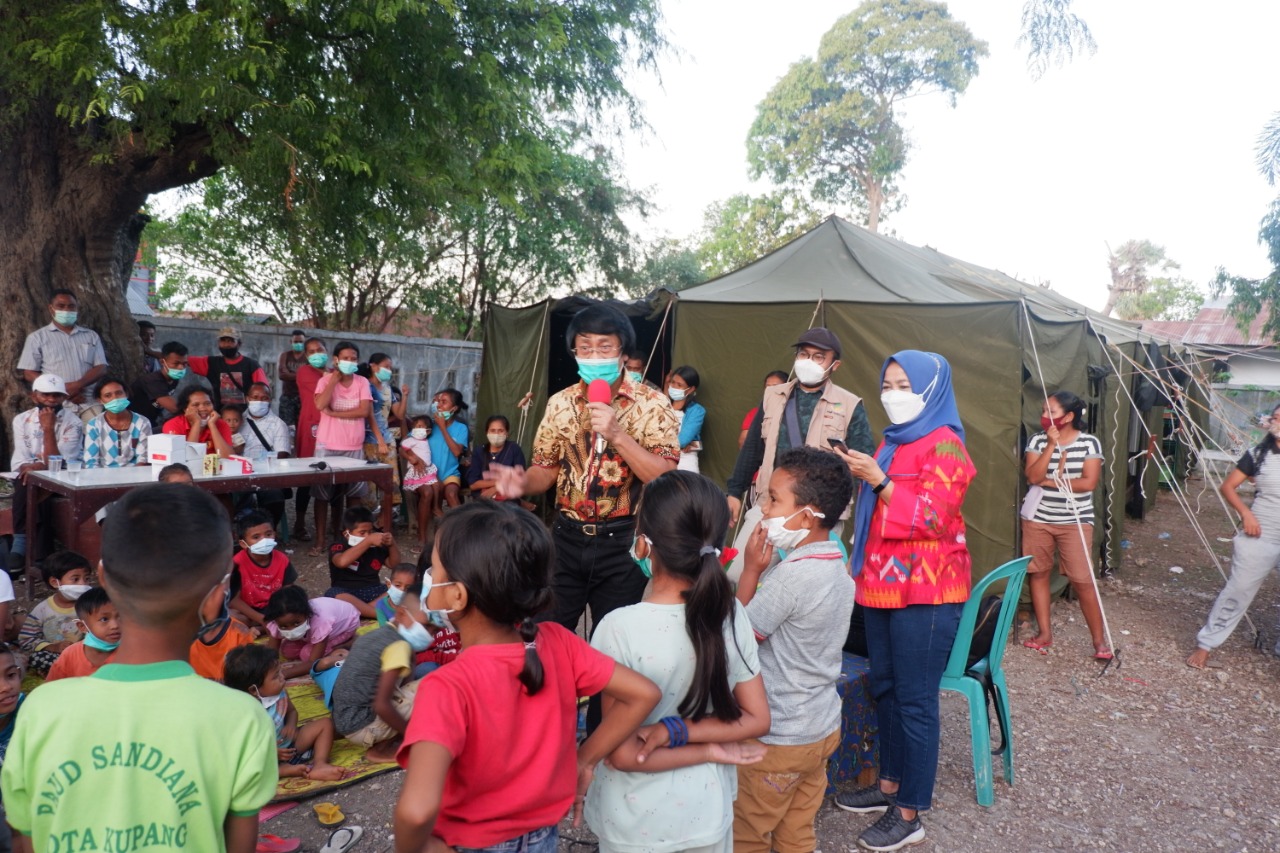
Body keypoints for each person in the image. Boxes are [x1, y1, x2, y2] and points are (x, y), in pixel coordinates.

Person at [0, 484, 278, 850]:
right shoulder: (243, 717)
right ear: (218, 590)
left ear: (103, 576)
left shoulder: (40, 709)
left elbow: (24, 838)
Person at [392, 501, 663, 853]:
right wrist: (585, 759)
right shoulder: (559, 642)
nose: (428, 578)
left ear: (458, 596)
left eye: (435, 569)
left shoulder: (445, 687)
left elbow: (416, 812)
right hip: (542, 838)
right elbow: (644, 693)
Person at [487, 303, 679, 698]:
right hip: (566, 539)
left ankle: (600, 742)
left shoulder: (652, 404)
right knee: (544, 638)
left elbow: (665, 477)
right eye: (585, 348)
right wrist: (522, 483)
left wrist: (618, 434)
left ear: (623, 352)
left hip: (623, 543)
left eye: (604, 347)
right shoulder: (559, 403)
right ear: (574, 353)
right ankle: (547, 724)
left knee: (614, 650)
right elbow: (547, 470)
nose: (594, 356)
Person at [585, 471, 770, 853]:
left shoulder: (619, 628)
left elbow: (622, 755)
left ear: (644, 543)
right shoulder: (732, 613)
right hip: (707, 815)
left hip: (634, 826)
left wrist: (691, 743)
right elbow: (758, 718)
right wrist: (686, 735)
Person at [834, 351, 974, 852]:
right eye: (887, 383)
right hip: (882, 585)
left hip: (929, 592)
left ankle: (911, 810)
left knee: (916, 701)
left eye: (903, 384)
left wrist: (880, 480)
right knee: (886, 686)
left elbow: (933, 517)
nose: (893, 393)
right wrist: (867, 472)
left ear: (931, 390)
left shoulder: (947, 446)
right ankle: (889, 783)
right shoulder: (893, 442)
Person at [733, 447, 856, 853]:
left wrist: (751, 570)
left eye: (772, 498)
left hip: (778, 738)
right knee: (797, 832)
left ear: (806, 516)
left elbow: (740, 639)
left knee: (748, 832)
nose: (764, 508)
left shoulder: (791, 578)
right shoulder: (837, 563)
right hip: (820, 727)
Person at [724, 328, 874, 580]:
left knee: (804, 587)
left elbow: (863, 469)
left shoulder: (850, 405)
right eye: (804, 354)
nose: (809, 362)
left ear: (834, 365)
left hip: (818, 517)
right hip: (769, 506)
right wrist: (734, 492)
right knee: (738, 575)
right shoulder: (773, 396)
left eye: (818, 357)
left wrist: (862, 524)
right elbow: (753, 448)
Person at [1187, 401, 1280, 669]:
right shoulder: (1258, 454)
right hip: (1262, 530)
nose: (1276, 422)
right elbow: (1227, 486)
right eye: (1274, 417)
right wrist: (1245, 514)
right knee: (1238, 589)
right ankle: (1206, 644)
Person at [1021, 390, 1111, 659]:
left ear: (1069, 416)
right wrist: (1050, 446)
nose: (1045, 416)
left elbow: (1088, 483)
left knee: (1082, 579)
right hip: (1038, 519)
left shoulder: (1089, 443)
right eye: (1044, 411)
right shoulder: (1037, 440)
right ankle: (1044, 635)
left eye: (1052, 411)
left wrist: (1050, 482)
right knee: (1039, 573)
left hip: (1075, 521)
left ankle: (1099, 642)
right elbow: (1032, 475)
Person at [331, 579, 435, 763]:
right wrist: (411, 736)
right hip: (365, 726)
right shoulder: (398, 646)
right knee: (438, 688)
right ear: (402, 613)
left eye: (433, 627)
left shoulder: (377, 635)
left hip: (348, 720)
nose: (430, 633)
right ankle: (385, 748)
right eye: (425, 626)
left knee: (423, 685)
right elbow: (382, 705)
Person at [223, 644, 345, 781]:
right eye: (276, 676)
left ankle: (320, 764)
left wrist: (291, 726)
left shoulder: (279, 692)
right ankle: (282, 771)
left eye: (280, 672)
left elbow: (292, 711)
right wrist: (271, 753)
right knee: (242, 769)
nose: (282, 677)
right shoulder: (244, 714)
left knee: (325, 724)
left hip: (291, 747)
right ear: (253, 690)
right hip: (266, 758)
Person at [7, 374, 84, 571]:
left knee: (38, 481)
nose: (51, 400)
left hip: (65, 477)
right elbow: (22, 460)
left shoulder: (73, 422)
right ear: (34, 396)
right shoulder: (21, 420)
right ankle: (40, 555)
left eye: (56, 395)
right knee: (33, 482)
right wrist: (36, 469)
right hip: (30, 478)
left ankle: (21, 545)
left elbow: (55, 464)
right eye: (46, 395)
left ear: (63, 398)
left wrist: (49, 429)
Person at [310, 340, 373, 553]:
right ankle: (320, 541)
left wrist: (335, 413)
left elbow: (364, 411)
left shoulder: (362, 382)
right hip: (327, 444)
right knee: (322, 494)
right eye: (345, 358)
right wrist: (333, 380)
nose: (350, 361)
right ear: (335, 360)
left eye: (353, 358)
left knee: (354, 494)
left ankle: (352, 540)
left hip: (353, 444)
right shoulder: (325, 380)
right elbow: (319, 405)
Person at [17, 289, 107, 414]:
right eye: (61, 306)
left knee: (94, 432)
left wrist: (78, 385)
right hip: (55, 403)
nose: (66, 310)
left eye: (71, 306)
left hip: (88, 401)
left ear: (77, 308)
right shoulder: (37, 338)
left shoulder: (91, 336)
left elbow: (101, 367)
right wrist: (62, 389)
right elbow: (29, 372)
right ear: (51, 308)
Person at [18, 551, 91, 676]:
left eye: (87, 578)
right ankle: (65, 670)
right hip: (55, 655)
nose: (83, 584)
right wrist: (52, 647)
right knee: (36, 657)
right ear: (54, 582)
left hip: (85, 653)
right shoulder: (42, 610)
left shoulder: (91, 605)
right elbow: (26, 640)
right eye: (75, 579)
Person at [263, 586, 359, 679]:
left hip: (347, 625)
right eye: (284, 626)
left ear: (306, 614)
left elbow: (313, 662)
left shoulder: (321, 620)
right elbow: (272, 653)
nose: (290, 630)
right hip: (315, 628)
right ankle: (315, 640)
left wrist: (283, 674)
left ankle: (349, 642)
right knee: (287, 651)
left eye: (296, 624)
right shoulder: (277, 620)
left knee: (306, 654)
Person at [229, 510, 299, 629]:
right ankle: (268, 627)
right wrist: (261, 619)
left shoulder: (282, 560)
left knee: (297, 609)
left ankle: (264, 628)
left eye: (268, 534)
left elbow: (287, 592)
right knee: (231, 617)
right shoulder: (236, 563)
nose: (264, 540)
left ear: (274, 534)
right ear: (243, 544)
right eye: (256, 537)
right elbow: (233, 600)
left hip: (274, 608)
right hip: (246, 610)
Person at [327, 506, 401, 618]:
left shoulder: (376, 547)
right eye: (362, 533)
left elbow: (394, 564)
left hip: (374, 591)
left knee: (399, 589)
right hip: (347, 592)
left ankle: (364, 611)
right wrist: (368, 541)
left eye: (370, 531)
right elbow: (341, 562)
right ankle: (377, 613)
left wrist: (392, 544)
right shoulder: (339, 545)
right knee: (333, 595)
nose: (367, 535)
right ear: (347, 533)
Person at [239, 382, 294, 529]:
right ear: (247, 399)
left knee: (274, 496)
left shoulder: (278, 424)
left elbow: (282, 456)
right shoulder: (237, 421)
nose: (259, 401)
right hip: (238, 473)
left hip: (267, 475)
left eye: (264, 398)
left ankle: (268, 531)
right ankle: (240, 533)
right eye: (255, 397)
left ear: (270, 400)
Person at [292, 336, 329, 543]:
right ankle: (299, 522)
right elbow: (326, 385)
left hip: (332, 427)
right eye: (312, 351)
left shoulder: (334, 373)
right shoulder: (305, 372)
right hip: (310, 428)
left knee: (333, 473)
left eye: (320, 350)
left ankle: (333, 523)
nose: (316, 354)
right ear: (306, 355)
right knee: (307, 477)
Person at [44, 587, 119, 681]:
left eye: (121, 617)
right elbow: (52, 688)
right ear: (82, 626)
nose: (115, 625)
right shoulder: (70, 655)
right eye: (104, 619)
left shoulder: (133, 653)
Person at [186, 326, 269, 411]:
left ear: (239, 344)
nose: (226, 345)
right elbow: (183, 359)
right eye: (223, 341)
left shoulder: (251, 365)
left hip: (246, 415)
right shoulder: (211, 363)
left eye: (230, 341)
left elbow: (263, 390)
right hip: (221, 415)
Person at [364, 352, 403, 517]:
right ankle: (369, 517)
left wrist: (405, 396)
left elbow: (399, 414)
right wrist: (379, 440)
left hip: (386, 440)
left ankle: (386, 517)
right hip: (369, 440)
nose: (389, 371)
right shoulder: (365, 386)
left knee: (391, 481)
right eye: (386, 367)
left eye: (390, 368)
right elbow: (369, 415)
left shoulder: (387, 389)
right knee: (369, 483)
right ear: (373, 366)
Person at [82, 376, 151, 468]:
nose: (115, 398)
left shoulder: (142, 422)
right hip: (102, 478)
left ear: (126, 394)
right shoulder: (94, 424)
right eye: (108, 396)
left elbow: (143, 459)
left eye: (119, 393)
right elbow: (91, 461)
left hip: (134, 476)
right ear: (100, 400)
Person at [400, 415, 440, 552]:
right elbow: (403, 448)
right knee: (428, 492)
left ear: (428, 430)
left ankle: (435, 508)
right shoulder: (412, 439)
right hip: (417, 473)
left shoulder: (428, 439)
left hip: (429, 471)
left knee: (436, 486)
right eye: (416, 426)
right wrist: (412, 458)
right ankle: (421, 538)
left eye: (422, 427)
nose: (419, 429)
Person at [427, 388, 470, 511]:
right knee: (430, 495)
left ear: (454, 408)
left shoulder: (461, 428)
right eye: (437, 402)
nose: (438, 405)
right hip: (429, 475)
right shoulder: (429, 426)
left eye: (444, 402)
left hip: (450, 474)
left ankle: (463, 528)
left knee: (451, 494)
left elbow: (457, 452)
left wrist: (443, 428)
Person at [131, 340, 191, 428]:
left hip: (150, 421)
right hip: (135, 425)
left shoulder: (174, 378)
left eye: (184, 364)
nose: (181, 367)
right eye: (176, 363)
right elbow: (174, 408)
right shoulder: (153, 380)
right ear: (163, 362)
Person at [162, 386, 235, 458]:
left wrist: (212, 425)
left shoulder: (221, 424)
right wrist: (196, 424)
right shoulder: (173, 425)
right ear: (185, 409)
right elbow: (186, 458)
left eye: (207, 403)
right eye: (196, 405)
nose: (203, 408)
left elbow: (228, 458)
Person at [465, 415, 526, 501]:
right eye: (492, 431)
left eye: (500, 431)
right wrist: (499, 483)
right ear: (487, 433)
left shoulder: (514, 449)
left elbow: (519, 479)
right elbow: (473, 484)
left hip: (508, 499)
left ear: (507, 433)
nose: (496, 434)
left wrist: (495, 488)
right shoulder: (479, 451)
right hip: (483, 499)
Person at [665, 365, 705, 473]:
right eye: (672, 382)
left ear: (691, 389)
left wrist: (655, 442)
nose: (674, 387)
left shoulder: (697, 411)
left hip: (685, 462)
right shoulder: (661, 405)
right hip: (660, 460)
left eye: (679, 385)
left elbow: (682, 441)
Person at [740, 371, 789, 450]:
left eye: (775, 386)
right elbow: (743, 441)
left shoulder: (796, 411)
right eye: (767, 386)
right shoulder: (756, 413)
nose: (770, 390)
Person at [277, 329, 308, 427]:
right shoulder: (285, 355)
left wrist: (290, 375)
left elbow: (309, 377)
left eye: (301, 342)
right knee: (286, 426)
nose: (298, 344)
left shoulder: (308, 357)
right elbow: (282, 375)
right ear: (291, 342)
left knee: (302, 426)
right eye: (296, 342)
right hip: (287, 397)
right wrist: (302, 375)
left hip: (303, 397)